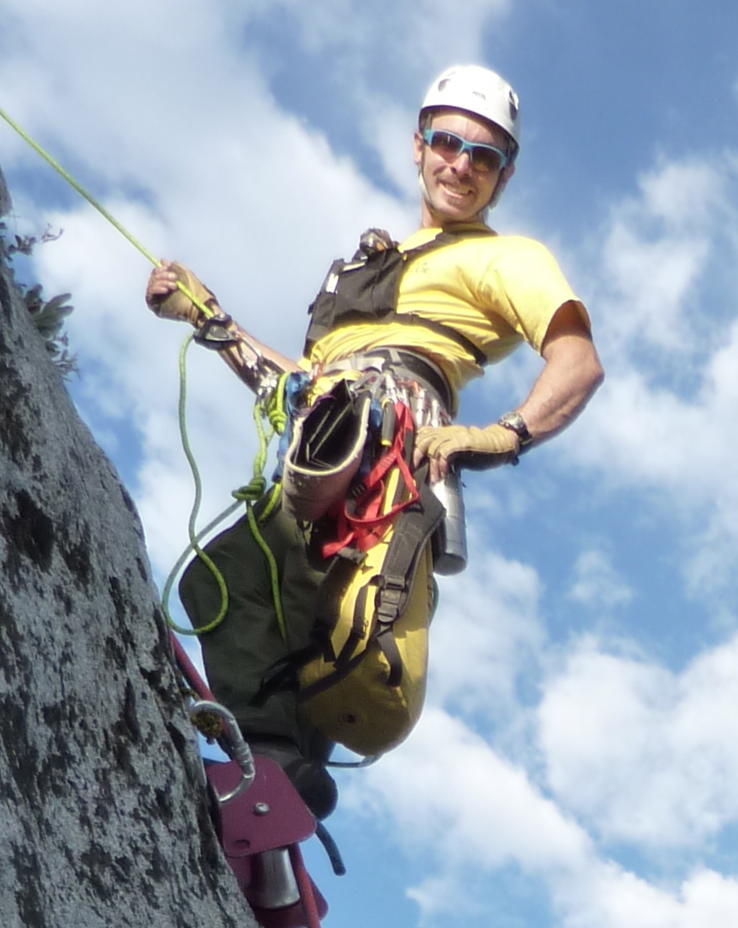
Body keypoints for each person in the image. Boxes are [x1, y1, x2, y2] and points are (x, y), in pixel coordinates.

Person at [144, 64, 602, 809]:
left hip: (385, 443)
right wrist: (207, 318)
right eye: (448, 142)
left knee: (290, 584)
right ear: (417, 146)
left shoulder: (506, 258)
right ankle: (274, 781)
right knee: (235, 581)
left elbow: (578, 362)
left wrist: (501, 435)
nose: (461, 164)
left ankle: (270, 770)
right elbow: (296, 384)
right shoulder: (384, 266)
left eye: (483, 156)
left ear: (503, 175)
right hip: (329, 421)